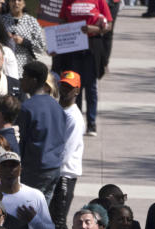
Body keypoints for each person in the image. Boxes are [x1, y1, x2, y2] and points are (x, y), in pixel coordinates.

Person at [52, 0, 112, 136]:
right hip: (73, 46)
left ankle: (91, 123)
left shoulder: (99, 1)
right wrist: (67, 30)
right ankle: (75, 121)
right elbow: (61, 21)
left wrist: (94, 29)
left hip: (92, 45)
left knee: (91, 87)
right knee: (73, 85)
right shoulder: (67, 1)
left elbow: (109, 24)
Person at [16, 61, 66, 202]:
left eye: (24, 77)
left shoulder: (27, 108)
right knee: (43, 210)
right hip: (54, 168)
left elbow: (21, 141)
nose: (21, 81)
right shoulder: (56, 106)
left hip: (35, 170)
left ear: (33, 80)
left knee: (29, 210)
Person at [50, 71, 84, 229]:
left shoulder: (73, 117)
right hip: (56, 174)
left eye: (69, 87)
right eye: (62, 85)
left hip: (64, 175)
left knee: (58, 223)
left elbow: (66, 152)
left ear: (77, 91)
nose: (64, 90)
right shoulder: (59, 109)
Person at [0, 0, 48, 73]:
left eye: (19, 0)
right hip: (4, 67)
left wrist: (24, 42)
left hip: (24, 68)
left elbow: (41, 46)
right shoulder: (1, 20)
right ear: (9, 3)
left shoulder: (32, 22)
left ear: (24, 3)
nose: (16, 3)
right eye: (13, 0)